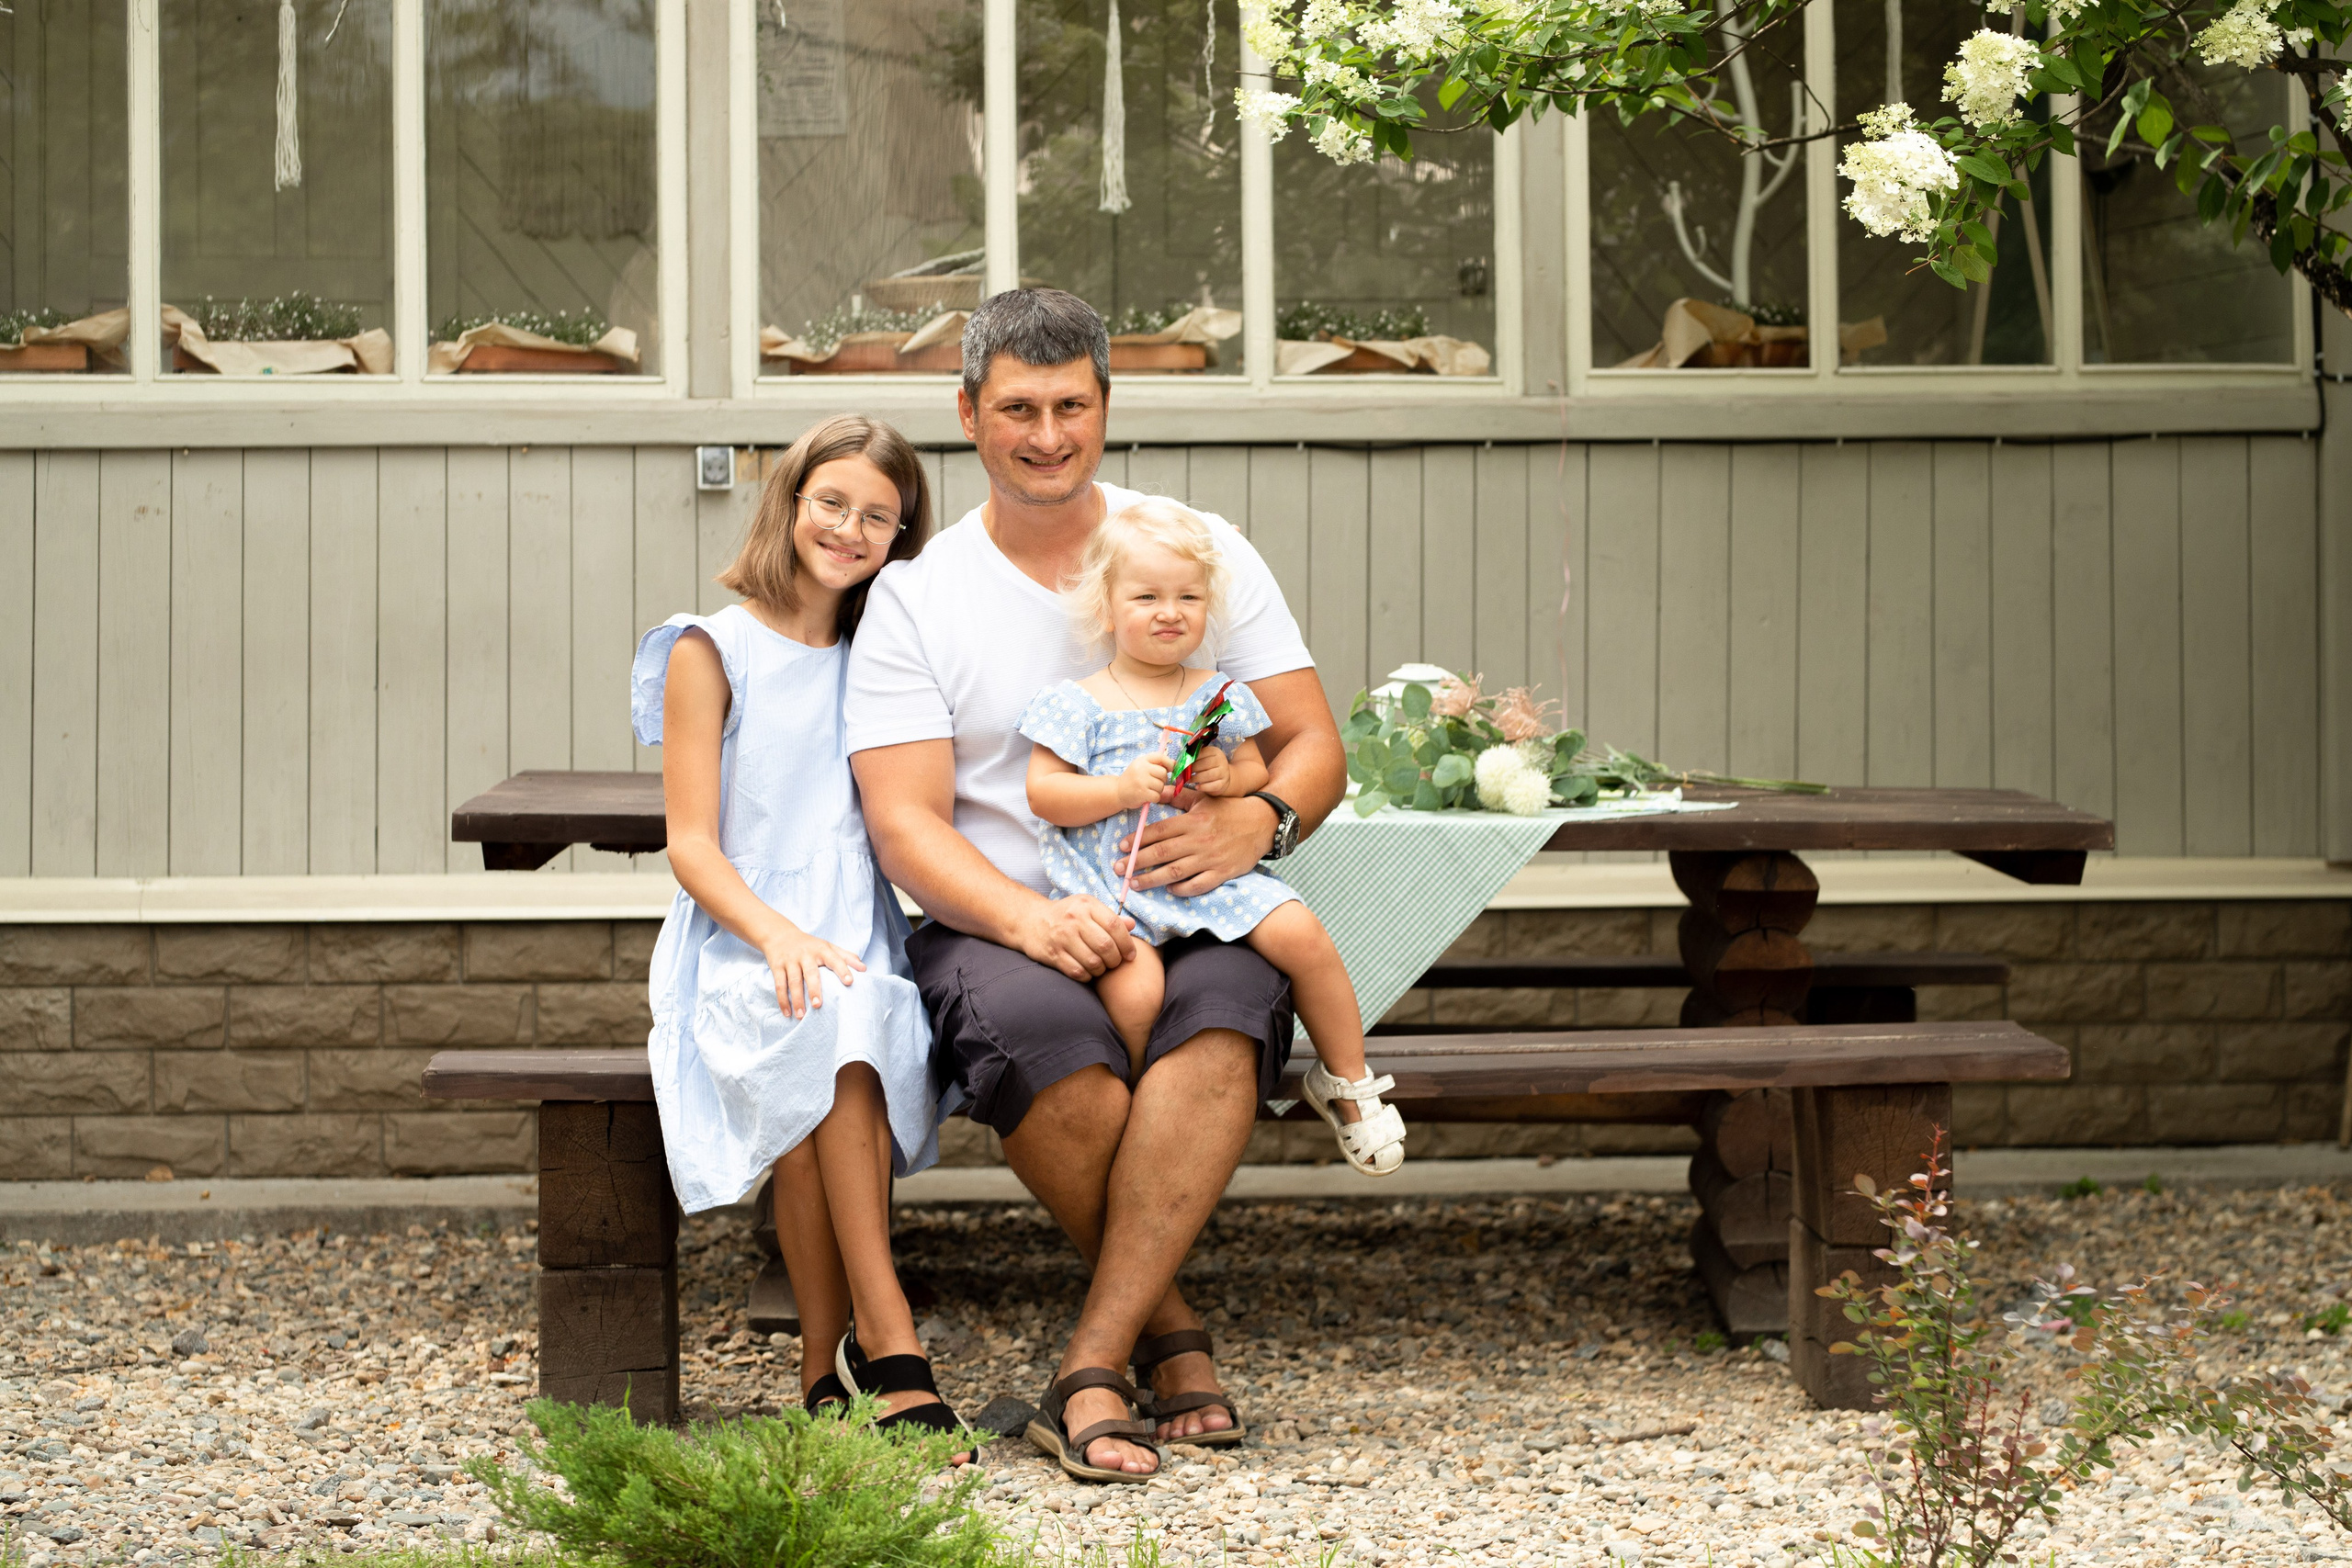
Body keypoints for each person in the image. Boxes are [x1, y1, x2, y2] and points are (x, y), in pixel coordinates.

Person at [848, 288, 1347, 1483]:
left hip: (1193, 897)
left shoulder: (1191, 549)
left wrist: (1259, 816)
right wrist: (1025, 914)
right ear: (968, 413)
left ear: (1106, 408)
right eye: (1017, 406)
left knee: (1220, 1029)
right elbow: (905, 818)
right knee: (1054, 1051)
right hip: (999, 916)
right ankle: (1174, 1338)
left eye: (1071, 404)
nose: (1047, 433)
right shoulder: (922, 595)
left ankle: (1089, 1360)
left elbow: (1315, 742)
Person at [632, 412, 969, 1452]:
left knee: (842, 1029)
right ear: (789, 502)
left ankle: (824, 1372)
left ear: (899, 538)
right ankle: (890, 1340)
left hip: (856, 939)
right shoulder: (711, 646)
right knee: (828, 1020)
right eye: (833, 503)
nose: (851, 529)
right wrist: (777, 936)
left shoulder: (885, 657)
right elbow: (691, 844)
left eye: (880, 517)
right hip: (743, 941)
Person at [1019, 497, 1405, 1176]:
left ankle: (1349, 1081)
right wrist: (1116, 789)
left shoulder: (1218, 695)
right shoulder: (1078, 701)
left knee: (1300, 933)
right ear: (1107, 609)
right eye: (1147, 596)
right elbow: (1043, 792)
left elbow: (1256, 769)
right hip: (1119, 883)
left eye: (1188, 596)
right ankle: (1145, 1105)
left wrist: (1225, 774)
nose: (1170, 611)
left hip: (1208, 876)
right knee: (1135, 991)